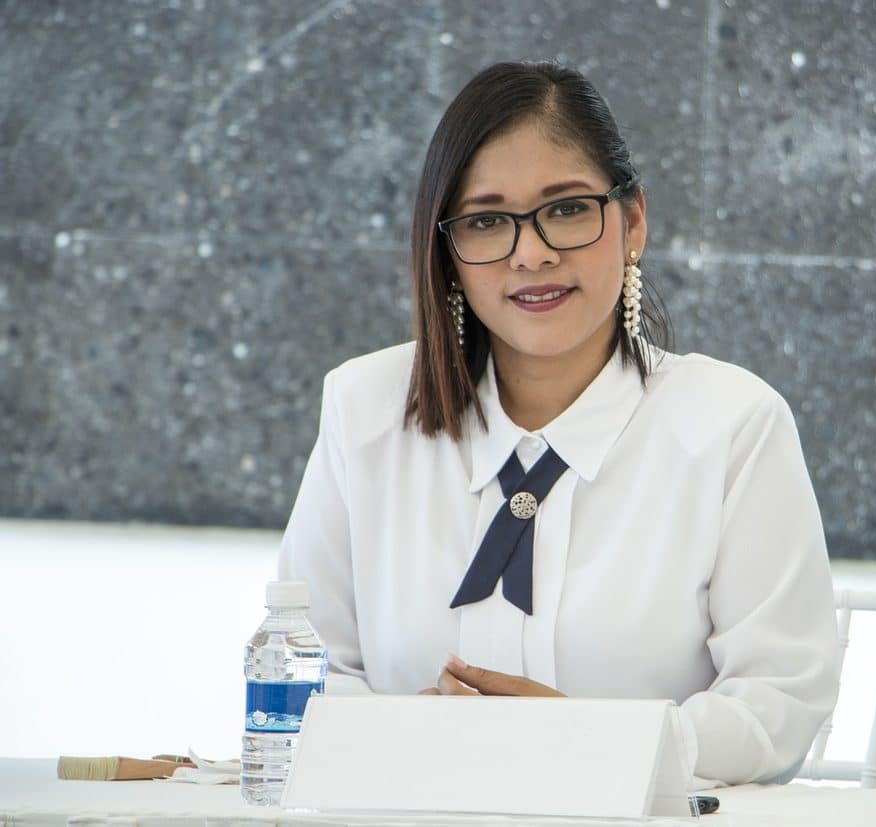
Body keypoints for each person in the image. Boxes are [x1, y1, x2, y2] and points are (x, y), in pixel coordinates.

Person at [278, 60, 838, 786]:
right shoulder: (364, 409)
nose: (532, 252)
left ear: (632, 221)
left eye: (567, 208)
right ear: (447, 255)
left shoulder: (733, 426)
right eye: (486, 221)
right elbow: (300, 669)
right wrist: (405, 738)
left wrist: (591, 743)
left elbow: (780, 702)